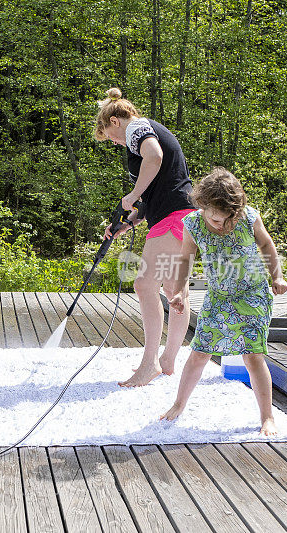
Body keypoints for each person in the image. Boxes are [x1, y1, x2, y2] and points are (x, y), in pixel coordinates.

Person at [160, 168, 287, 436]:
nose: (221, 225)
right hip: (218, 297)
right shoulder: (193, 224)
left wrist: (277, 276)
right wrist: (182, 290)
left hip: (253, 295)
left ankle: (267, 417)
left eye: (226, 220)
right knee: (199, 353)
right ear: (203, 205)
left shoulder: (248, 217)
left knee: (253, 356)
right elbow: (186, 259)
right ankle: (178, 404)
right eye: (215, 219)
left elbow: (267, 245)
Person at [94, 87, 196, 387]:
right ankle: (167, 360)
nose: (115, 143)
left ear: (115, 121)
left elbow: (154, 156)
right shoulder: (146, 129)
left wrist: (133, 194)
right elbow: (161, 184)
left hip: (173, 218)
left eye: (111, 137)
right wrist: (131, 220)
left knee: (144, 284)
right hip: (183, 215)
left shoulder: (137, 126)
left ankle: (149, 364)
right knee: (176, 292)